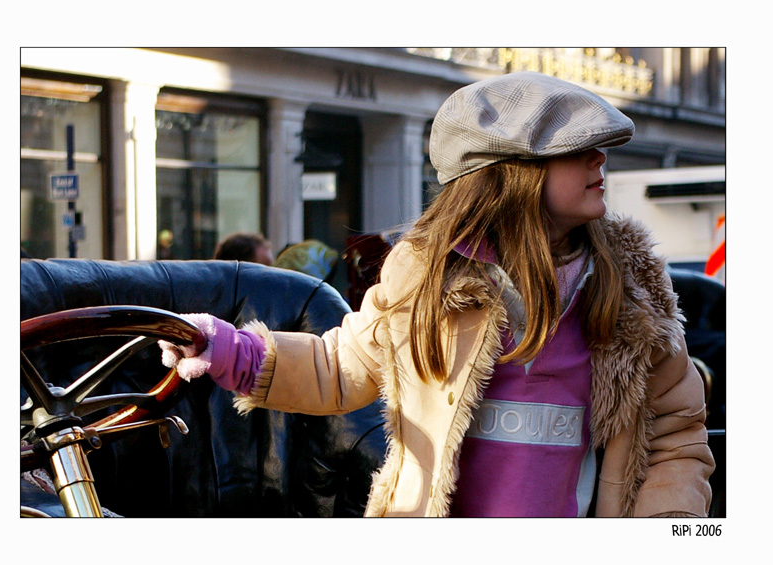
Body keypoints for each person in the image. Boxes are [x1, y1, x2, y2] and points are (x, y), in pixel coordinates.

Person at [159, 72, 714, 517]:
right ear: (509, 174)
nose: (600, 158)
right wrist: (226, 349)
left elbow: (676, 438)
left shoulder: (631, 287)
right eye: (577, 149)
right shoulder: (426, 272)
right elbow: (340, 366)